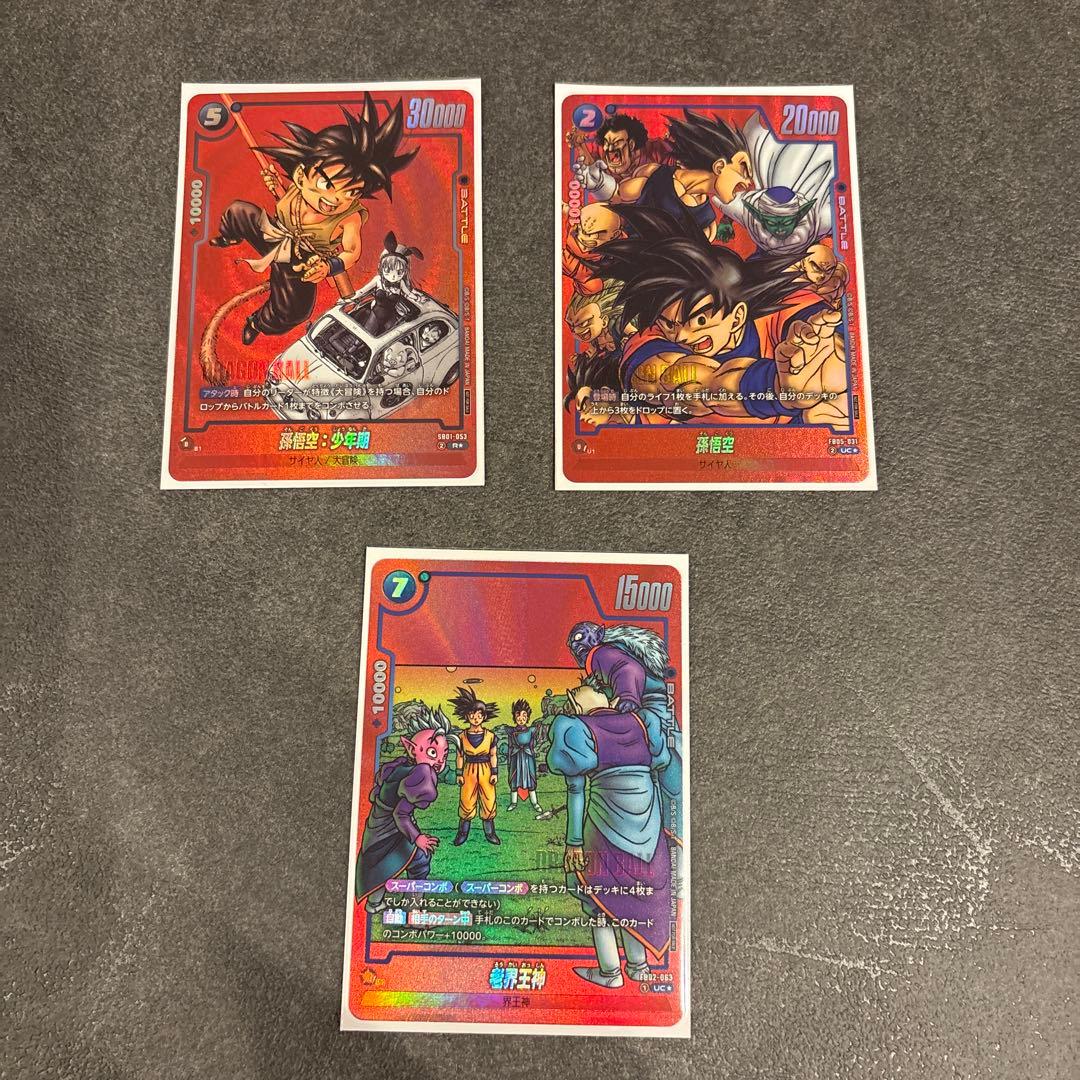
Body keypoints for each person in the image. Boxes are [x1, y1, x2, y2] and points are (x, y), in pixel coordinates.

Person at [594, 206, 848, 426]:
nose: (681, 336)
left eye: (700, 320)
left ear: (737, 317)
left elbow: (827, 337)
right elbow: (680, 382)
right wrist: (772, 385)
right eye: (670, 323)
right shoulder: (649, 343)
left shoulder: (783, 307)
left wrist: (828, 358)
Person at [210, 94, 417, 344]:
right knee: (239, 211)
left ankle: (257, 322)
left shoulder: (349, 217)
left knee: (293, 311)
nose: (336, 198)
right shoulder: (298, 189)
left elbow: (352, 252)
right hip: (274, 234)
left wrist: (328, 267)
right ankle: (229, 236)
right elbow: (291, 206)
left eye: (351, 192)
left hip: (302, 264)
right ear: (300, 176)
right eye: (328, 184)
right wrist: (277, 186)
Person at [547, 678, 673, 988]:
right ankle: (638, 967)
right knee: (632, 893)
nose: (573, 693)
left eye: (581, 688)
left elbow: (576, 791)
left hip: (607, 826)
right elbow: (657, 768)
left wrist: (574, 843)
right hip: (647, 828)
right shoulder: (642, 723)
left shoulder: (576, 729)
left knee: (598, 897)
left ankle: (610, 972)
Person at [355, 700, 457, 914]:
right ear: (412, 748)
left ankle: (376, 903)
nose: (440, 761)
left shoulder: (402, 765)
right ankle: (412, 911)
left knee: (382, 864)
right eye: (432, 752)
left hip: (379, 827)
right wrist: (417, 838)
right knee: (419, 860)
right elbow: (400, 814)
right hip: (387, 830)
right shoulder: (421, 773)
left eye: (444, 754)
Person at [450, 686, 501, 846]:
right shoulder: (461, 736)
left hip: (486, 770)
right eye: (472, 715)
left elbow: (493, 755)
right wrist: (459, 773)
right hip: (468, 770)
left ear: (484, 717)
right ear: (467, 716)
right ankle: (462, 833)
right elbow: (460, 756)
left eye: (479, 715)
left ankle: (490, 833)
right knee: (466, 800)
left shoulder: (490, 736)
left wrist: (494, 772)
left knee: (489, 799)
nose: (476, 718)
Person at [504, 699, 545, 816]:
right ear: (514, 717)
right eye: (518, 715)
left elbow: (533, 745)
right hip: (516, 758)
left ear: (527, 717)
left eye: (524, 716)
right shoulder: (511, 731)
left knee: (530, 779)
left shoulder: (531, 730)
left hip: (527, 758)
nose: (521, 718)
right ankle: (513, 802)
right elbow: (510, 746)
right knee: (514, 779)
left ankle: (535, 803)